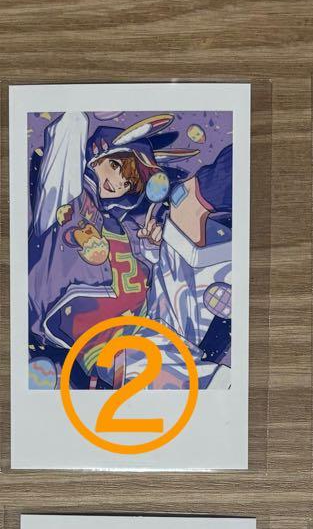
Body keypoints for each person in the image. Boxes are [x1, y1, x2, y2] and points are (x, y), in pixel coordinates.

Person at [28, 111, 233, 388]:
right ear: (95, 157)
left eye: (127, 182)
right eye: (114, 165)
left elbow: (146, 276)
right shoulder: (68, 203)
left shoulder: (123, 226)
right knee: (136, 355)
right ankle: (210, 383)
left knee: (181, 222)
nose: (117, 182)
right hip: (96, 328)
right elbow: (69, 128)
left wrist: (151, 248)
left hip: (149, 317)